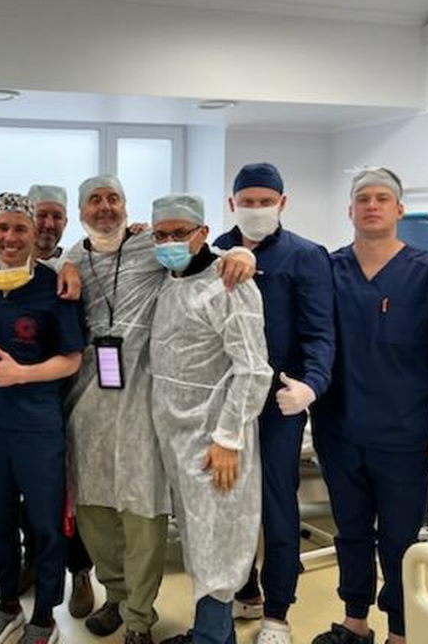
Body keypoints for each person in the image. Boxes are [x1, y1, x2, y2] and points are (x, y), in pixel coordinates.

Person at [65, 175, 256, 644]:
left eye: (113, 199)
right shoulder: (74, 259)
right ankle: (118, 596)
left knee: (147, 515)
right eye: (95, 200)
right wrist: (67, 263)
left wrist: (243, 252)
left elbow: (252, 365)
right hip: (93, 402)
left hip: (150, 409)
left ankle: (141, 615)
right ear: (81, 211)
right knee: (97, 512)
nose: (104, 208)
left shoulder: (166, 260)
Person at [311, 167, 428, 644]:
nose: (373, 205)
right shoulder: (329, 269)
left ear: (399, 209)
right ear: (350, 210)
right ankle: (354, 621)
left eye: (383, 198)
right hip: (339, 430)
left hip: (405, 434)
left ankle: (401, 630)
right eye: (364, 198)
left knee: (400, 540)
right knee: (351, 530)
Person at [213, 163, 336, 644]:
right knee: (226, 507)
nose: (257, 209)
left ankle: (277, 615)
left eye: (267, 201)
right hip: (223, 406)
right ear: (232, 204)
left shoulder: (306, 257)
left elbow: (321, 333)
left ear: (283, 204)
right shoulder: (213, 250)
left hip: (277, 406)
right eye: (249, 201)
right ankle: (240, 592)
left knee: (278, 510)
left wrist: (310, 386)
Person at [150, 193, 273, 644]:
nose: (169, 242)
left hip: (213, 436)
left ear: (203, 233)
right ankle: (208, 629)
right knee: (198, 537)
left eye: (180, 233)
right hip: (177, 434)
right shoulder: (169, 279)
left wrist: (228, 437)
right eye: (161, 234)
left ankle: (213, 637)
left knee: (217, 539)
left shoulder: (229, 283)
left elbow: (254, 368)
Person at [0, 192, 86, 644]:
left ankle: (45, 616)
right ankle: (7, 605)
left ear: (36, 233)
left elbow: (72, 358)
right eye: (3, 228)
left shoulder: (55, 286)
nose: (11, 237)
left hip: (38, 428)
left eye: (21, 228)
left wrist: (23, 374)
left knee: (45, 524)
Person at [14, 184, 96, 620]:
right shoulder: (5, 266)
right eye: (41, 215)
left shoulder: (75, 264)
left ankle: (80, 571)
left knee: (72, 488)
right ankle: (33, 561)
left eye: (56, 217)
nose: (48, 224)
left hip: (71, 393)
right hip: (22, 399)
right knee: (32, 493)